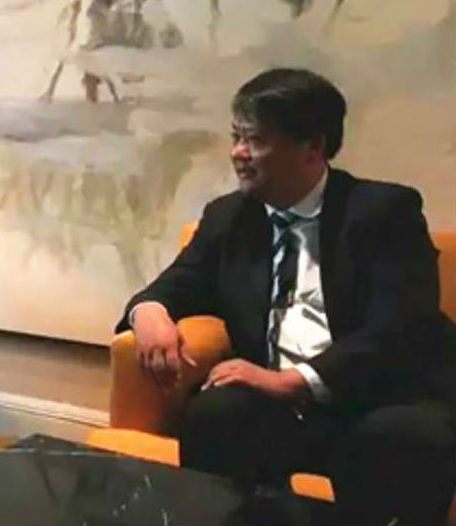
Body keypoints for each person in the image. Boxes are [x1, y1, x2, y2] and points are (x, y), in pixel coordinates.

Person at [119, 68, 456, 524]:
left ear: (313, 147)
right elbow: (178, 282)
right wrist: (150, 313)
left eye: (255, 140)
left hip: (377, 396)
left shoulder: (384, 211)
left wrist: (292, 380)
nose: (239, 154)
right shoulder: (230, 216)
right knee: (215, 414)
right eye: (236, 137)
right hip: (277, 406)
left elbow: (399, 326)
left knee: (403, 437)